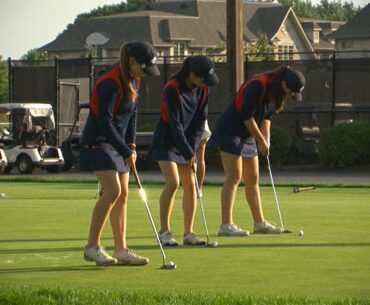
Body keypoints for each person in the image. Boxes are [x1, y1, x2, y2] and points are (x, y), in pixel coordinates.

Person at [80, 41, 160, 266]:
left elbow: (132, 114)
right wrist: (124, 149)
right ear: (132, 61)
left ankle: (121, 249)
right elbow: (105, 122)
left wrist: (131, 146)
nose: (144, 74)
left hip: (118, 143)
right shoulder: (109, 83)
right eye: (142, 68)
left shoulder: (134, 79)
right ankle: (92, 246)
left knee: (123, 193)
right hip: (98, 142)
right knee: (113, 190)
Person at [208, 66, 305, 236]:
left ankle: (259, 223)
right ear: (284, 84)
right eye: (291, 91)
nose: (291, 95)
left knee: (253, 178)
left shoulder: (277, 91)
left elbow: (267, 116)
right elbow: (246, 115)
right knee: (234, 177)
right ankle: (226, 225)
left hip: (248, 133)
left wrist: (265, 138)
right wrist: (259, 139)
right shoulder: (258, 85)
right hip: (230, 130)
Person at [147, 56, 219, 246]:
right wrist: (187, 151)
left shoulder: (203, 90)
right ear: (192, 74)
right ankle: (164, 232)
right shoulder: (172, 88)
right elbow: (174, 123)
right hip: (166, 140)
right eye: (203, 78)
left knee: (191, 184)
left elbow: (199, 123)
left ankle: (189, 233)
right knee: (173, 182)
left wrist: (192, 149)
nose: (205, 83)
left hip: (186, 141)